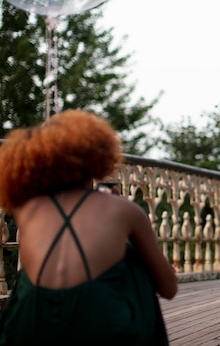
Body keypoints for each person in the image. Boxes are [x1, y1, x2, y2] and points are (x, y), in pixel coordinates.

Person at [0, 110, 177, 345]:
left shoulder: (26, 209)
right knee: (131, 260)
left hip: (30, 324)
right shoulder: (123, 209)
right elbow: (168, 288)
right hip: (100, 323)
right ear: (99, 157)